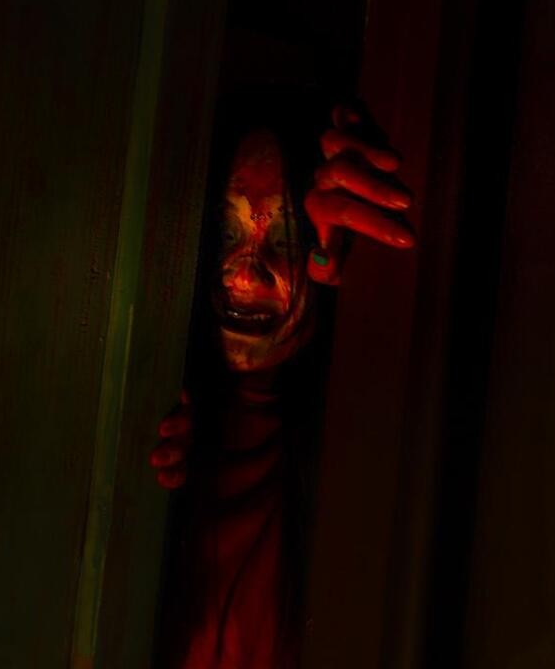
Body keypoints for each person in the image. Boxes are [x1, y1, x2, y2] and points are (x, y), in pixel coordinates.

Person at [150, 87, 415, 668]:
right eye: (228, 235)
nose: (245, 275)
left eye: (285, 241)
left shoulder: (355, 452)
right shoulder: (162, 419)